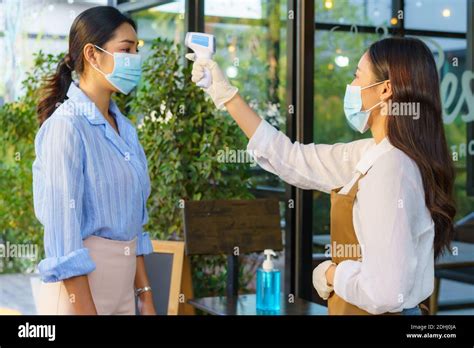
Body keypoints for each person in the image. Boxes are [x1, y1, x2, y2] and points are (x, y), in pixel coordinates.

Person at [186, 37, 456, 315]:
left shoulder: (392, 168)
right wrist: (227, 95)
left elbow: (386, 292)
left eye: (356, 76)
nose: (350, 87)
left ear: (385, 89)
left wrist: (331, 274)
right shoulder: (375, 154)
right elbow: (291, 158)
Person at [33, 6, 156, 315]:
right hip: (81, 295)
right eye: (126, 49)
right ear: (92, 54)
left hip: (125, 293)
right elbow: (63, 236)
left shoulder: (125, 130)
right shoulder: (67, 127)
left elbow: (133, 226)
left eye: (136, 50)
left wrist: (145, 295)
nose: (134, 59)